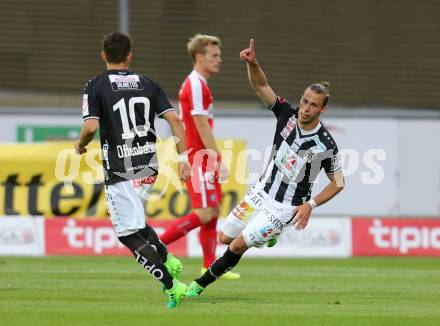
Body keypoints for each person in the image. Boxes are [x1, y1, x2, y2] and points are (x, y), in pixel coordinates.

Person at [186, 39, 345, 297]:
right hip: (261, 191)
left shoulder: (325, 144)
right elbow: (261, 85)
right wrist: (252, 63)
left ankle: (197, 286)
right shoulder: (287, 115)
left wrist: (310, 205)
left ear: (323, 108)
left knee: (237, 245)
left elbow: (339, 182)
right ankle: (269, 237)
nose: (305, 108)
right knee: (224, 238)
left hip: (285, 207)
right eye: (304, 101)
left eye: (313, 105)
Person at [74, 32, 191, 308]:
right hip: (147, 165)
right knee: (136, 221)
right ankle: (167, 257)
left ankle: (172, 287)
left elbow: (90, 127)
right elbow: (174, 119)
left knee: (127, 234)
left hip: (119, 168)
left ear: (104, 55)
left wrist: (80, 145)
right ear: (129, 55)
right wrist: (183, 159)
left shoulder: (95, 85)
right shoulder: (148, 84)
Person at [159, 34, 239, 280]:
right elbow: (200, 124)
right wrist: (215, 158)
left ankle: (208, 265)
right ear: (199, 57)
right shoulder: (195, 84)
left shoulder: (199, 84)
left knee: (212, 210)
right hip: (198, 159)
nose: (219, 60)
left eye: (219, 55)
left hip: (198, 157)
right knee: (204, 213)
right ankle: (156, 246)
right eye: (214, 55)